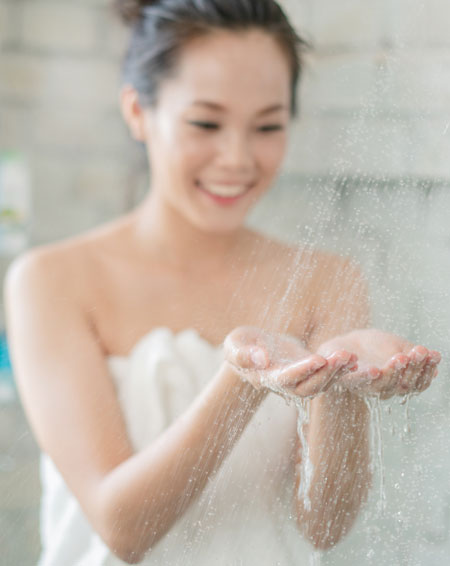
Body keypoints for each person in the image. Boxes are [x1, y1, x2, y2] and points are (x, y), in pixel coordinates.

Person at [3, 1, 441, 565]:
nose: (237, 158)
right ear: (138, 112)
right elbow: (121, 528)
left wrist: (345, 385)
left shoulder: (326, 280)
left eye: (267, 126)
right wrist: (245, 376)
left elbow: (326, 523)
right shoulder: (51, 281)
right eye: (206, 123)